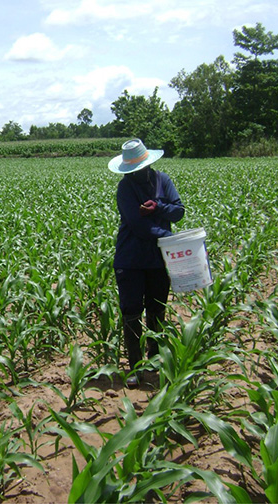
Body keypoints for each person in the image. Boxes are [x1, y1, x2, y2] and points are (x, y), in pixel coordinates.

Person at [107, 139, 185, 387]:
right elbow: (138, 226)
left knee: (156, 308)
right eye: (132, 170)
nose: (137, 173)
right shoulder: (125, 188)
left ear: (148, 163)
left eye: (139, 167)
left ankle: (155, 359)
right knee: (131, 312)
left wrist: (157, 206)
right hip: (130, 260)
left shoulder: (163, 181)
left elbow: (178, 211)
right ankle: (135, 367)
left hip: (158, 259)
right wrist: (170, 237)